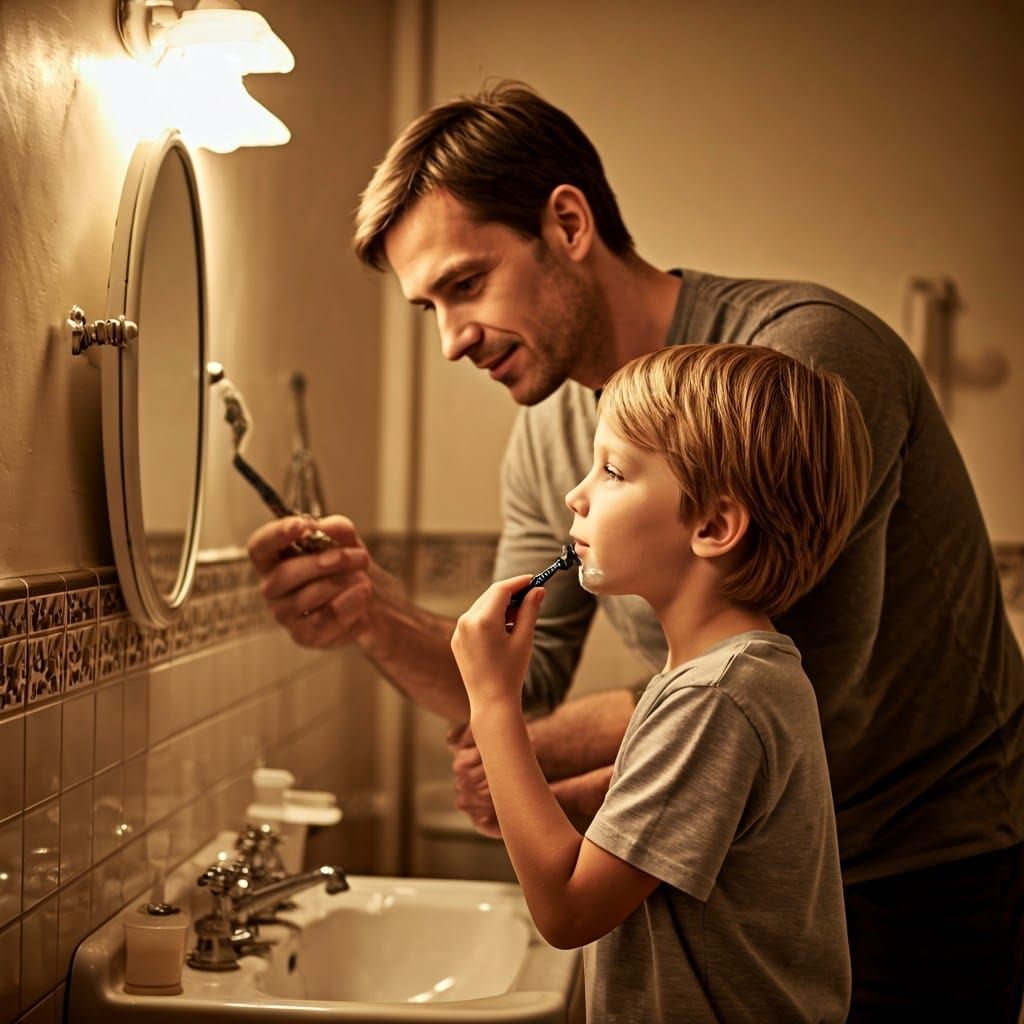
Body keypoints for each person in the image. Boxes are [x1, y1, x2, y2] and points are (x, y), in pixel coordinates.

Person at [246, 81, 1024, 1019]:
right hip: (723, 853)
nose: (451, 340)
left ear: (568, 222)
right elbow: (522, 670)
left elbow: (794, 690)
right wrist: (369, 614)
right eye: (429, 309)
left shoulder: (799, 364)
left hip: (922, 856)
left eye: (465, 284)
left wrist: (535, 767)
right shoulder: (546, 438)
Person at [452, 343, 869, 1022]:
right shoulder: (719, 677)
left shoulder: (717, 698)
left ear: (712, 525)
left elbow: (566, 909)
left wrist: (493, 700)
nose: (575, 494)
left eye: (612, 470)